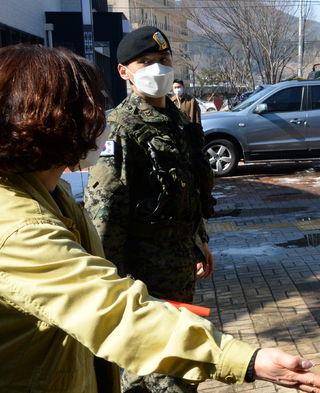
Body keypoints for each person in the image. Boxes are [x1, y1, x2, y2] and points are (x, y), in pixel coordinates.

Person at [0, 43, 320, 393]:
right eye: (87, 107)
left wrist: (198, 240)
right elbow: (113, 310)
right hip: (140, 283)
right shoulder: (21, 227)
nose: (98, 118)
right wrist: (244, 360)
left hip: (169, 274)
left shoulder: (53, 194)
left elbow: (190, 189)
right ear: (44, 119)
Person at [82, 26, 213, 392]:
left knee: (180, 361)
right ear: (125, 71)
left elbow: (188, 189)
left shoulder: (179, 121)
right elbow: (106, 210)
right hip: (141, 275)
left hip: (180, 264)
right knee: (154, 369)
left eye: (163, 60)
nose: (157, 69)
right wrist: (113, 285)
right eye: (146, 62)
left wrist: (200, 240)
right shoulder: (120, 128)